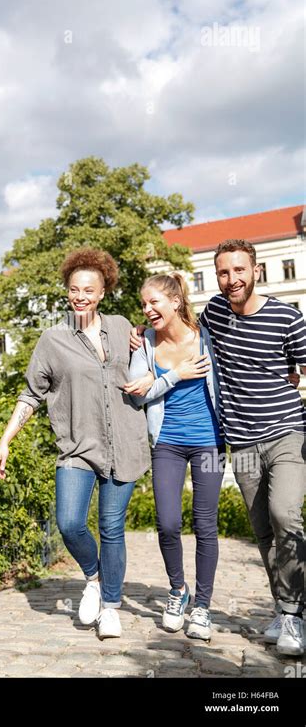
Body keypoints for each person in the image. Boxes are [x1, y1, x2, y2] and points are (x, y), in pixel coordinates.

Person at [0, 248, 150, 639]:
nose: (80, 295)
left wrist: (153, 378)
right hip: (77, 446)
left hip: (124, 444)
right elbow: (30, 394)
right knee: (69, 523)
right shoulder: (53, 339)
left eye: (89, 290)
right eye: (74, 289)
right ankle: (94, 578)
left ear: (102, 293)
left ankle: (111, 607)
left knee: (112, 528)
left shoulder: (121, 327)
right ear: (67, 292)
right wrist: (5, 440)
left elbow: (151, 362)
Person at [199, 239, 306, 657]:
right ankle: (284, 608)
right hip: (241, 440)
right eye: (224, 272)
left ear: (255, 271)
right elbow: (180, 326)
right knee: (263, 530)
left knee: (286, 515)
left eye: (239, 270)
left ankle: (296, 616)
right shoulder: (214, 312)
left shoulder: (287, 317)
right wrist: (140, 332)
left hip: (286, 432)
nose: (232, 280)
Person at [124, 272, 225, 642]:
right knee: (167, 522)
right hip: (166, 442)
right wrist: (174, 376)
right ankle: (177, 591)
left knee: (205, 524)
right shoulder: (145, 344)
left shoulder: (207, 339)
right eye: (144, 304)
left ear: (176, 302)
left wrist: (157, 381)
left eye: (154, 302)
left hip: (210, 443)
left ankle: (203, 606)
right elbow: (137, 396)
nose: (147, 309)